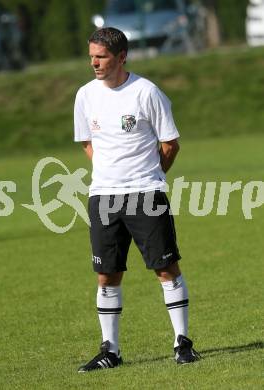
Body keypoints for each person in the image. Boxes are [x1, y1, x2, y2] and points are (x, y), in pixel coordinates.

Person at [74, 27, 200, 372]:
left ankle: (182, 343)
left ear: (121, 57)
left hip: (146, 193)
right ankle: (110, 350)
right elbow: (88, 143)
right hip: (103, 197)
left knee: (165, 268)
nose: (94, 63)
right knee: (106, 274)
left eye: (101, 57)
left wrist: (150, 176)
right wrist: (111, 175)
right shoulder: (85, 95)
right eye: (91, 57)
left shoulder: (146, 92)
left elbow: (170, 143)